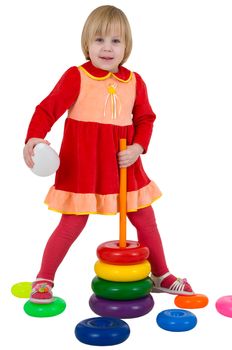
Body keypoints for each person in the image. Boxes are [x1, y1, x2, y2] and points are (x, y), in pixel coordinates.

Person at [23, 5, 194, 304]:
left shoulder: (135, 81)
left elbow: (145, 119)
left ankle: (161, 274)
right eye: (99, 40)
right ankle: (44, 278)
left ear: (126, 46)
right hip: (85, 164)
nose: (106, 48)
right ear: (86, 44)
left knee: (144, 217)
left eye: (116, 41)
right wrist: (35, 137)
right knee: (72, 223)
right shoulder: (76, 76)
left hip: (124, 164)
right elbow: (47, 108)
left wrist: (138, 147)